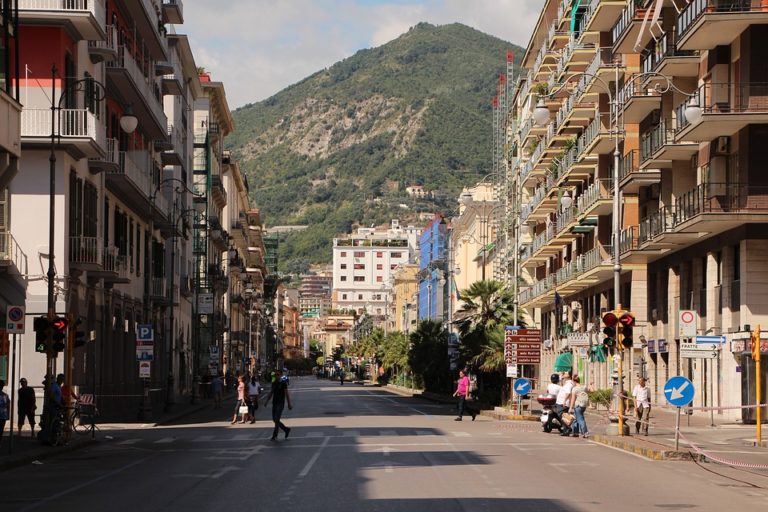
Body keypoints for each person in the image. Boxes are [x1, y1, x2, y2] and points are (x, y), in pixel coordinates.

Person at [263, 370, 292, 440]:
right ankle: (286, 429)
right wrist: (267, 401)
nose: (276, 376)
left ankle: (274, 435)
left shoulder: (283, 383)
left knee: (276, 419)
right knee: (274, 419)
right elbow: (271, 392)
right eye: (275, 375)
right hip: (274, 402)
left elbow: (286, 394)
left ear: (281, 375)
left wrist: (289, 404)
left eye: (278, 374)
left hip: (281, 403)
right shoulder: (274, 383)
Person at [555, 371, 574, 436]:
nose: (563, 374)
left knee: (561, 416)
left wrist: (564, 401)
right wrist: (561, 377)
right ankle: (566, 429)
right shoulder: (566, 383)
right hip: (561, 402)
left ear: (569, 375)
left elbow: (568, 393)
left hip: (563, 403)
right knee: (563, 416)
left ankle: (568, 428)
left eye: (565, 373)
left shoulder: (569, 384)